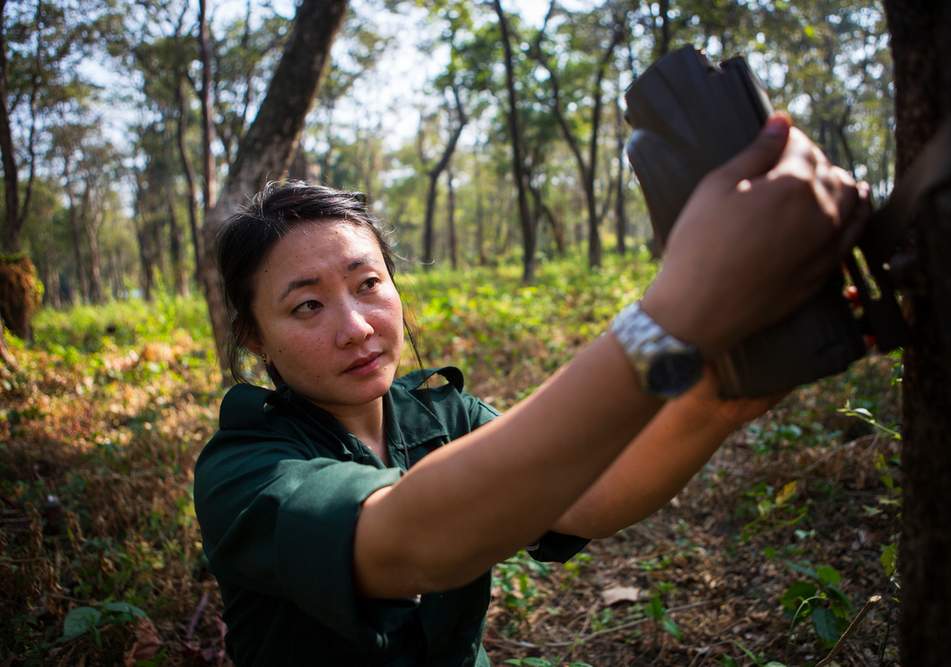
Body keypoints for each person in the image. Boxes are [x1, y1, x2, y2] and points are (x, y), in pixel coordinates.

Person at [193, 113, 868, 666]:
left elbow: (590, 495)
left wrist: (737, 387)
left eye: (369, 284)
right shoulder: (245, 470)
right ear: (254, 337)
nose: (355, 326)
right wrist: (670, 315)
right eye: (307, 306)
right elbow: (414, 539)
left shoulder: (440, 413)